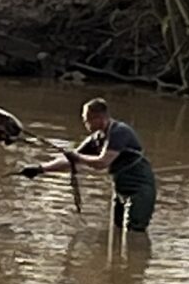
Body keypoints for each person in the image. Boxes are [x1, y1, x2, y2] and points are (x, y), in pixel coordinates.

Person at [24, 96, 158, 234]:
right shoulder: (96, 138)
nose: (84, 123)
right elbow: (71, 160)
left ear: (99, 118)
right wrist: (40, 169)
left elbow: (102, 162)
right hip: (121, 190)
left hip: (139, 191)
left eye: (86, 119)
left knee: (133, 233)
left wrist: (78, 157)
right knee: (117, 231)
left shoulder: (119, 132)